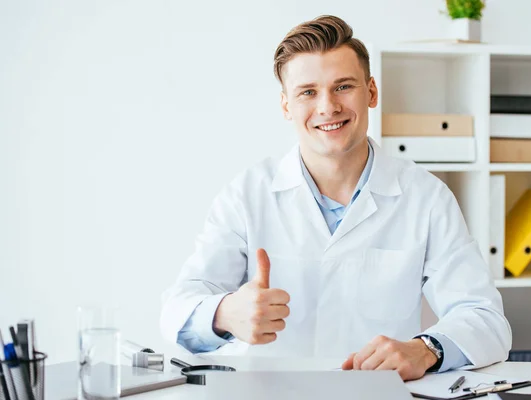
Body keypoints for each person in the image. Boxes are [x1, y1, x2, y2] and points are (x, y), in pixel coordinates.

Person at [160, 15, 511, 381]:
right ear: (286, 106)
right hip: (268, 392)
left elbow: (486, 319)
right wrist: (224, 314)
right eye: (308, 92)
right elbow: (175, 310)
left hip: (374, 392)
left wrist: (425, 350)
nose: (328, 107)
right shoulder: (247, 195)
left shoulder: (426, 197)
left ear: (371, 91)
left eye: (343, 86)